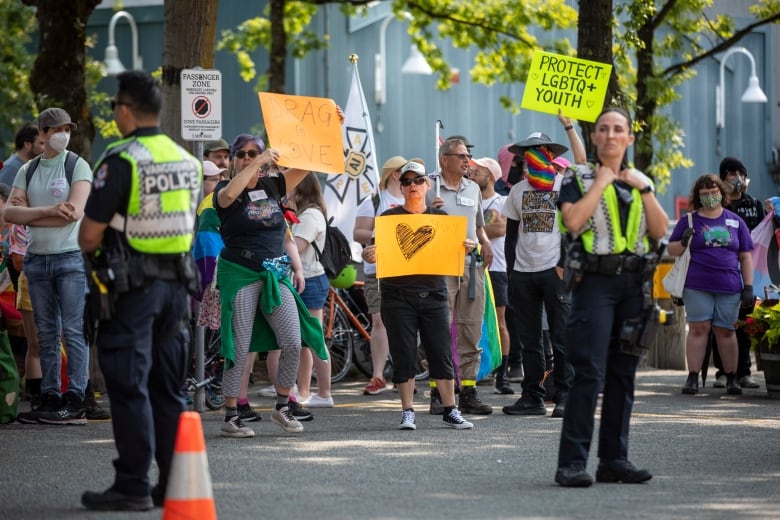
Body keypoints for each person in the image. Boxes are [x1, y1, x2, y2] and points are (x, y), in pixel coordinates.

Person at [78, 70, 200, 511]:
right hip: (177, 291)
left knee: (129, 385)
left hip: (133, 291)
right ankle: (171, 484)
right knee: (168, 390)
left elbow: (89, 236)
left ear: (124, 110)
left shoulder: (122, 159)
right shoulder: (186, 160)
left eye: (114, 106)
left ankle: (131, 483)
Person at [555, 107, 669, 487]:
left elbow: (660, 229)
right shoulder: (576, 176)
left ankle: (614, 460)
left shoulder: (640, 181)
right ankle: (571, 463)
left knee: (624, 374)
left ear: (628, 138)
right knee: (588, 372)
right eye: (603, 129)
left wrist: (646, 189)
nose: (610, 135)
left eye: (618, 129)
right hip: (595, 283)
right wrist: (601, 183)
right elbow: (572, 222)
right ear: (594, 137)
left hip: (633, 284)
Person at [213, 132, 326, 437]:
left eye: (254, 153)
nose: (248, 158)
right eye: (242, 154)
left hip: (274, 275)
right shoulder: (226, 189)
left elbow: (307, 162)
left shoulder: (273, 185)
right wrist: (260, 162)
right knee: (239, 345)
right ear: (234, 160)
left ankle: (282, 407)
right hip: (240, 273)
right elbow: (227, 197)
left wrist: (329, 125)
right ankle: (231, 414)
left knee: (293, 340)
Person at [363, 160, 473, 430]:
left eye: (418, 181)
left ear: (427, 184)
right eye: (407, 182)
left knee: (441, 352)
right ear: (400, 187)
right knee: (404, 353)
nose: (412, 186)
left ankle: (450, 409)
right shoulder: (389, 219)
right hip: (397, 296)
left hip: (434, 294)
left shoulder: (442, 220)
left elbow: (452, 253)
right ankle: (408, 410)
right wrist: (370, 253)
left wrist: (466, 248)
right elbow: (373, 249)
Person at [5, 107, 92, 426]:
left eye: (67, 128)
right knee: (45, 334)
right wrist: (52, 210)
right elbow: (10, 215)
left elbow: (75, 211)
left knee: (72, 330)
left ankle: (76, 399)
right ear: (41, 133)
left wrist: (32, 213)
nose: (63, 134)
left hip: (69, 257)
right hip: (36, 260)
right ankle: (51, 397)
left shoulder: (77, 165)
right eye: (56, 129)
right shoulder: (27, 170)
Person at [500, 131, 575, 418]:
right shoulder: (517, 191)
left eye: (537, 150)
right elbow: (510, 236)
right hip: (523, 272)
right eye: (526, 152)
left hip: (553, 270)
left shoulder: (563, 186)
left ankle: (565, 396)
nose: (530, 157)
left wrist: (563, 263)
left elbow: (573, 229)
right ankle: (532, 397)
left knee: (561, 336)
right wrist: (511, 271)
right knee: (529, 339)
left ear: (548, 154)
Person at [669, 174, 754, 396]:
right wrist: (684, 240)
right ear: (697, 196)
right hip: (696, 285)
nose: (709, 197)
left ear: (721, 193)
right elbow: (672, 250)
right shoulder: (688, 221)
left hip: (729, 287)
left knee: (725, 331)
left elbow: (745, 256)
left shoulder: (736, 221)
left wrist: (749, 287)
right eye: (704, 193)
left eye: (713, 192)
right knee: (698, 329)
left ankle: (732, 378)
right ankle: (692, 378)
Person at [428, 137, 493, 415]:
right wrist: (430, 210)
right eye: (461, 156)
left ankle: (468, 390)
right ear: (444, 159)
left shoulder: (473, 188)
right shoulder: (428, 186)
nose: (468, 161)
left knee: (470, 327)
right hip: (439, 266)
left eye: (468, 156)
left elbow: (478, 227)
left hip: (469, 264)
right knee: (439, 329)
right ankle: (436, 391)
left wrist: (486, 242)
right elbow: (411, 222)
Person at [353, 155, 408, 395]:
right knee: (379, 320)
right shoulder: (374, 201)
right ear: (395, 174)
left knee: (405, 322)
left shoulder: (413, 199)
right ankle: (377, 375)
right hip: (377, 270)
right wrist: (382, 232)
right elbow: (358, 233)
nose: (413, 180)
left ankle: (403, 372)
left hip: (406, 269)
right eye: (407, 174)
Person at [708, 157, 763, 389]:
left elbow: (766, 235)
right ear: (723, 178)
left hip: (750, 271)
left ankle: (744, 373)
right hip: (725, 270)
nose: (736, 177)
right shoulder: (717, 206)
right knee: (722, 323)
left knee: (744, 323)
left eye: (740, 172)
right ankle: (722, 372)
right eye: (731, 173)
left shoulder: (755, 204)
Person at [467, 157, 513, 395]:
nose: (472, 174)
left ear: (492, 176)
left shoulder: (502, 201)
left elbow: (499, 228)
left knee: (500, 321)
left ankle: (502, 375)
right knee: (472, 322)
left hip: (496, 270)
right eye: (472, 170)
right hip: (471, 269)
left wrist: (473, 229)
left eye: (478, 171)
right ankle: (472, 372)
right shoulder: (468, 199)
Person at [290, 173, 334, 408]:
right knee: (305, 341)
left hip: (310, 280)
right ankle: (305, 390)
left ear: (300, 190)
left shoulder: (309, 215)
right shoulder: (309, 214)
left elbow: (296, 247)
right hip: (309, 279)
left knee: (315, 339)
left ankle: (325, 393)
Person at [0, 122, 44, 188]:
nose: (45, 148)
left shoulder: (30, 166)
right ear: (27, 144)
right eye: (41, 143)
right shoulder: (12, 167)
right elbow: (3, 197)